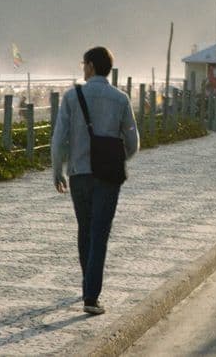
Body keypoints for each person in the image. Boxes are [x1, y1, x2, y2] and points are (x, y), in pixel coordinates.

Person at [51, 46, 139, 316]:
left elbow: (59, 138)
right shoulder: (120, 98)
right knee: (100, 233)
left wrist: (58, 169)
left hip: (79, 173)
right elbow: (134, 141)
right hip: (108, 177)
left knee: (85, 229)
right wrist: (116, 158)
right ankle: (91, 295)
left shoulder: (72, 96)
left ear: (90, 66)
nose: (83, 68)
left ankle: (87, 286)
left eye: (83, 64)